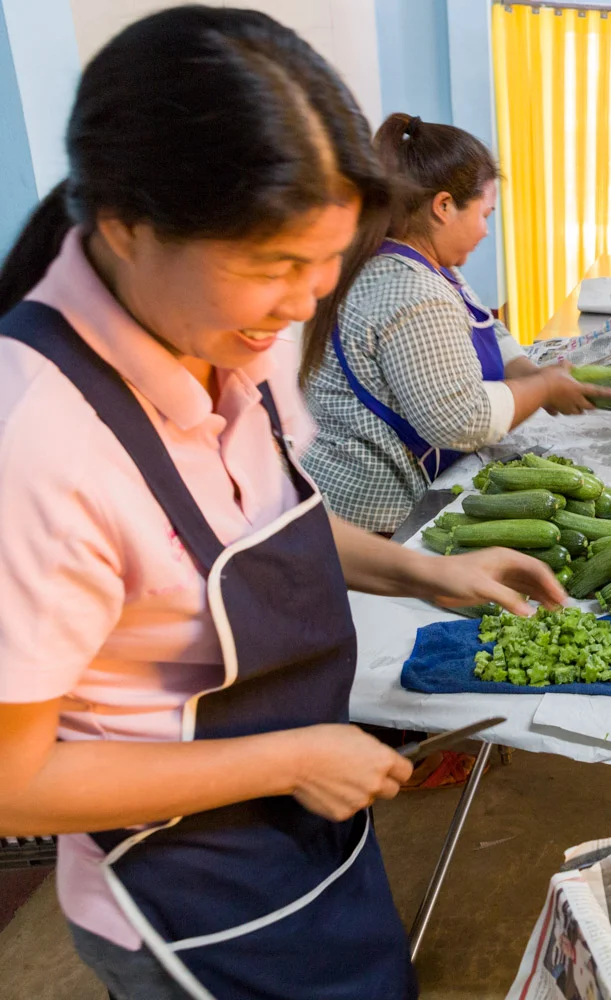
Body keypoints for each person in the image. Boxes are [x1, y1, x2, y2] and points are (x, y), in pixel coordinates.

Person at [0, 9, 565, 998]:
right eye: (274, 267)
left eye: (326, 265)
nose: (305, 305)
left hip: (303, 833)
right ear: (128, 227)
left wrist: (427, 569)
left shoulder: (224, 342)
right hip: (178, 899)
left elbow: (260, 528)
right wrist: (289, 758)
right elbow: (15, 780)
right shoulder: (37, 440)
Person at [300, 113, 611, 533]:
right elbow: (460, 421)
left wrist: (531, 373)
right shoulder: (412, 292)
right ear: (443, 206)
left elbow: (484, 325)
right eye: (485, 214)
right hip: (372, 519)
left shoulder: (421, 262)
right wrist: (543, 388)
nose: (485, 231)